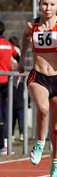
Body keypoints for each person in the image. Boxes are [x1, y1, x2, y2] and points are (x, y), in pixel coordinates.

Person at [18, 0, 57, 177]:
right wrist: (22, 58)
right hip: (38, 76)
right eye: (44, 4)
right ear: (39, 5)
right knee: (42, 108)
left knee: (56, 128)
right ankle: (40, 142)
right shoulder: (32, 25)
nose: (47, 8)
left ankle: (56, 160)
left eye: (51, 4)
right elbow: (25, 36)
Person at [0, 21, 20, 155]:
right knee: (5, 114)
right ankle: (5, 145)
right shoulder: (8, 45)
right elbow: (18, 57)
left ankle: (2, 146)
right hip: (5, 84)